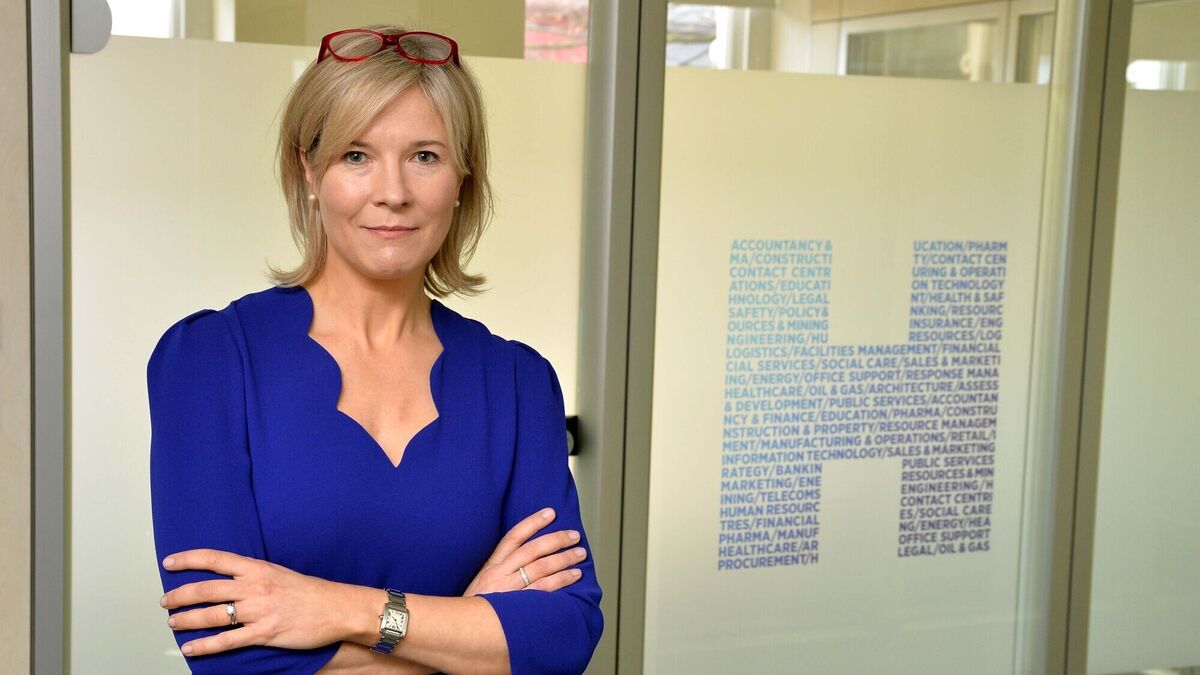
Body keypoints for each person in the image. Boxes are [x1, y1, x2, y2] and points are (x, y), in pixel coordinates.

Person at [148, 27, 602, 674]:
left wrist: (342, 610)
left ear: (463, 176)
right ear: (309, 170)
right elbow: (232, 659)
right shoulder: (211, 362)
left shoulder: (517, 383)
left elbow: (563, 636)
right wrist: (468, 622)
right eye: (356, 155)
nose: (392, 191)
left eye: (425, 156)